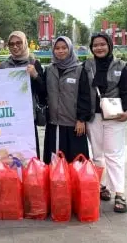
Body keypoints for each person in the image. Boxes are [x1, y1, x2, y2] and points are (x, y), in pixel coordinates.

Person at [84, 32, 127, 213]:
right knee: (97, 155)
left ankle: (119, 193)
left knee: (114, 154)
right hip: (93, 116)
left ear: (109, 46)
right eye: (95, 45)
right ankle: (101, 186)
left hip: (115, 116)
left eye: (102, 44)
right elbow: (82, 91)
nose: (99, 48)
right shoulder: (87, 66)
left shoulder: (121, 66)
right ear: (91, 48)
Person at [43, 36, 91, 164]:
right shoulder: (49, 70)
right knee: (55, 162)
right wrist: (36, 76)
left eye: (64, 48)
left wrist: (81, 119)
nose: (61, 51)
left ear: (70, 49)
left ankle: (76, 184)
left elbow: (84, 96)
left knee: (75, 162)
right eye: (57, 48)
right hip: (54, 123)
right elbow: (43, 92)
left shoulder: (79, 70)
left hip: (74, 124)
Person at [0, 31, 46, 159]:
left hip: (28, 118)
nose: (15, 46)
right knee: (10, 153)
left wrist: (35, 75)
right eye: (11, 44)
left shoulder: (34, 63)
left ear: (25, 43)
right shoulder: (3, 66)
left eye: (19, 43)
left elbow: (43, 90)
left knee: (30, 154)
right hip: (8, 117)